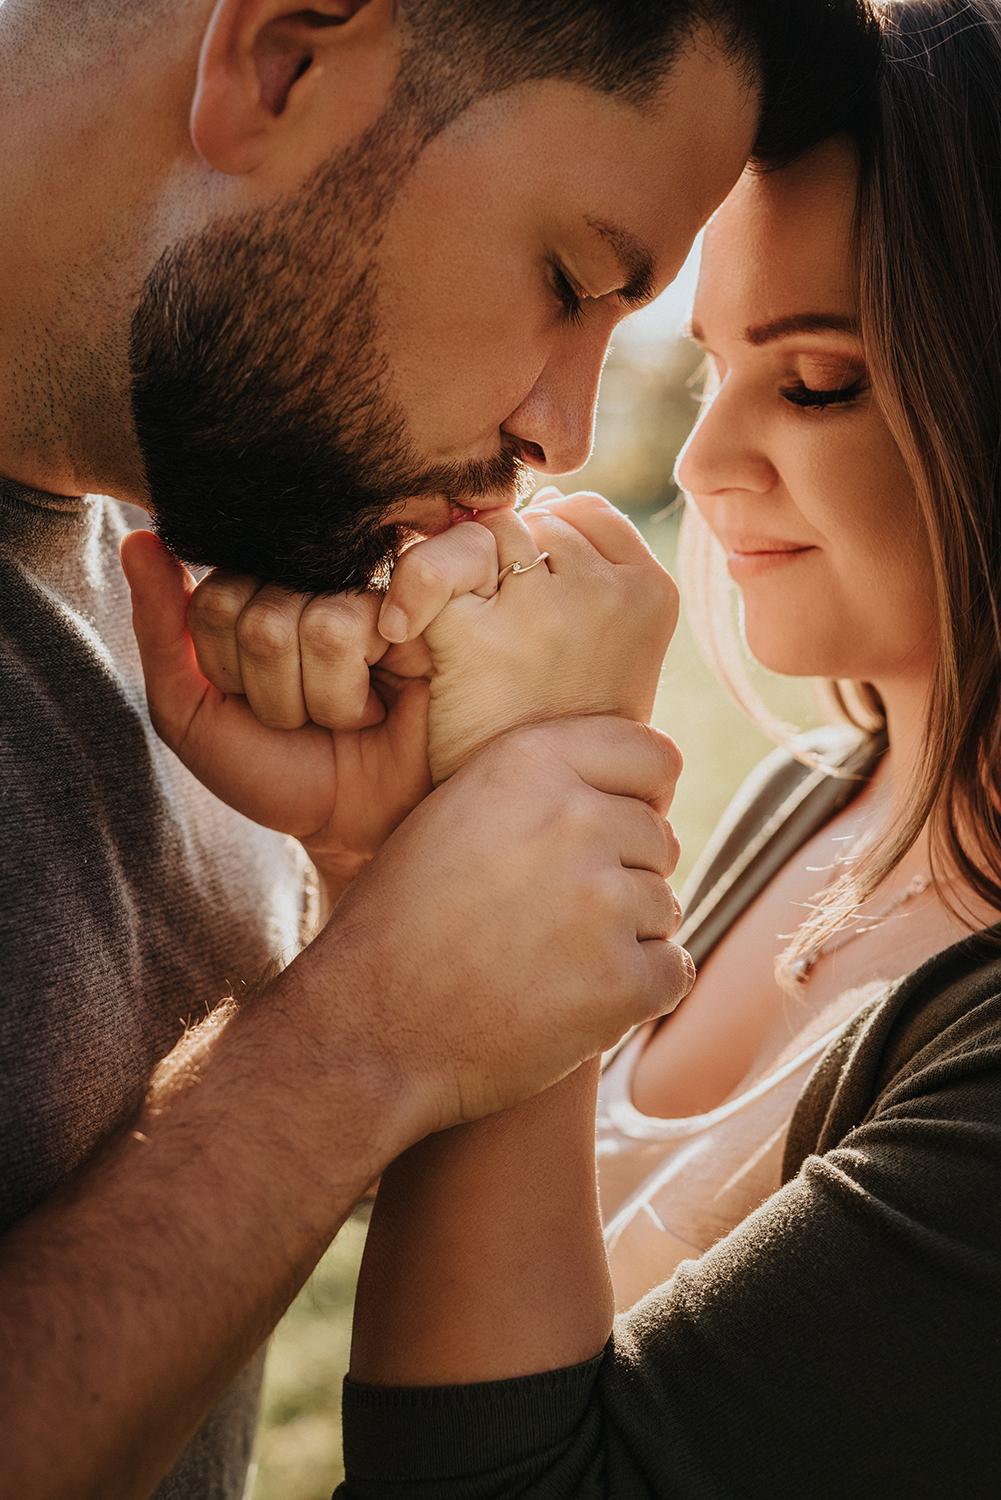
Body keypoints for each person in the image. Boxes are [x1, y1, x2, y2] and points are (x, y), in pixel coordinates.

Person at [0, 1, 881, 1496]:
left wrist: (377, 872)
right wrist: (362, 1035)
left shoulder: (188, 545)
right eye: (569, 278)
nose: (569, 433)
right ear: (280, 60)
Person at [334, 2, 1001, 1495]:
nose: (696, 464)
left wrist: (532, 780)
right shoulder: (809, 804)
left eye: (816, 380)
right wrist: (404, 848)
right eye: (708, 368)